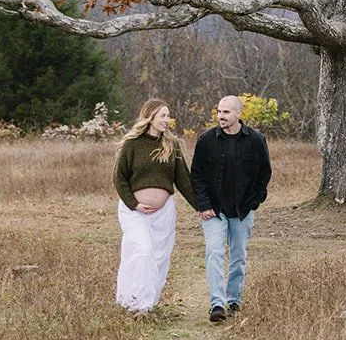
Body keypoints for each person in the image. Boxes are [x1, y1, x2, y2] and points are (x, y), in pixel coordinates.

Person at [190, 94, 272, 324]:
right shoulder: (206, 140)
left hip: (243, 209)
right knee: (214, 252)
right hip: (214, 210)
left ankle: (233, 299)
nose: (220, 116)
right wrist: (203, 204)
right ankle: (217, 303)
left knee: (238, 256)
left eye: (226, 112)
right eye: (218, 111)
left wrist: (255, 200)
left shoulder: (256, 140)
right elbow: (196, 174)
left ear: (238, 114)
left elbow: (264, 173)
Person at [112, 97, 196, 313]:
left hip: (164, 212)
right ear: (149, 117)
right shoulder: (132, 145)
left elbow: (184, 181)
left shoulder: (171, 145)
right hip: (134, 211)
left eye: (168, 115)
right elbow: (119, 178)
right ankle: (132, 300)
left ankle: (147, 304)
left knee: (159, 256)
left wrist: (202, 207)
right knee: (143, 250)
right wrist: (134, 204)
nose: (167, 120)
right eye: (162, 116)